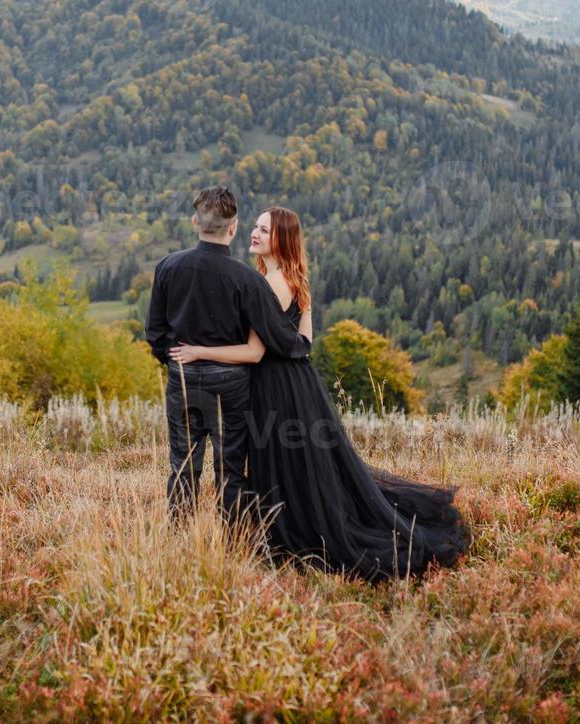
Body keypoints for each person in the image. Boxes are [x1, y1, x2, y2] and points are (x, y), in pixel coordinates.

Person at [169, 205, 468, 582]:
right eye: (255, 227)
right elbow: (306, 341)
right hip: (301, 382)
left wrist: (199, 351)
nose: (254, 234)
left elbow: (253, 352)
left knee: (281, 463)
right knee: (302, 465)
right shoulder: (295, 279)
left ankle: (285, 538)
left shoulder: (268, 284)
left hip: (273, 385)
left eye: (263, 230)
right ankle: (289, 528)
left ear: (281, 239)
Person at [144, 188, 311, 527]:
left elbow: (155, 332)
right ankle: (231, 541)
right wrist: (301, 343)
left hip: (184, 377)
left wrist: (176, 360)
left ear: (195, 222)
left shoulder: (168, 267)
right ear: (233, 228)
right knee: (230, 466)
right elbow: (277, 336)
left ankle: (179, 537)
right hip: (232, 383)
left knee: (183, 463)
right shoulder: (248, 279)